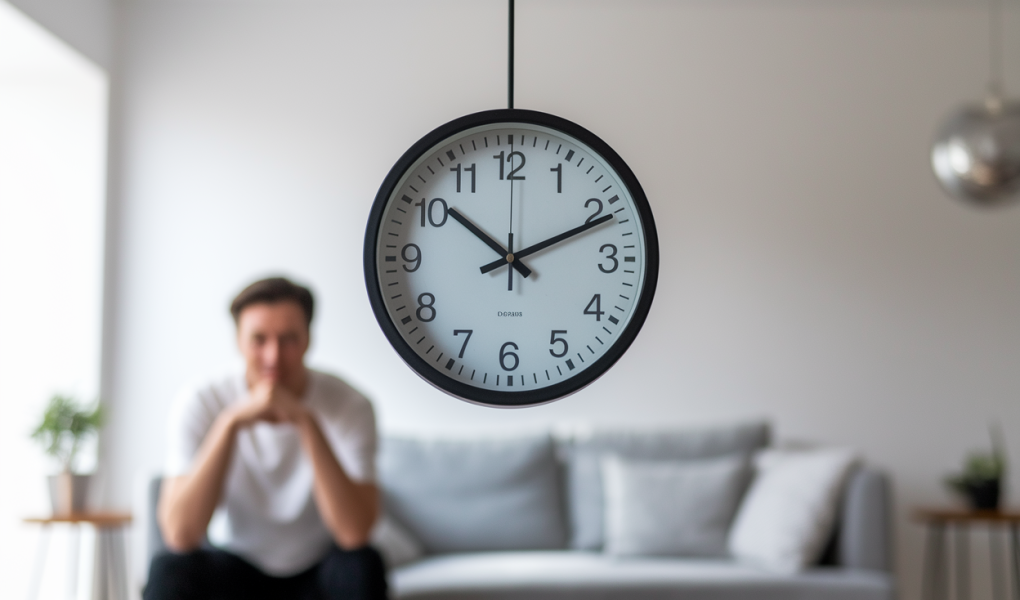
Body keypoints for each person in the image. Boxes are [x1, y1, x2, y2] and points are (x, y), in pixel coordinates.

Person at [146, 277, 387, 600]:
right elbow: (180, 534)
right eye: (258, 340)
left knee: (363, 564)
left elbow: (354, 534)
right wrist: (230, 422)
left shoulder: (351, 405)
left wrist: (306, 422)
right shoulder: (201, 402)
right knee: (169, 568)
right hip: (232, 566)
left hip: (317, 571)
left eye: (288, 339)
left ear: (308, 339)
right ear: (238, 340)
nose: (273, 356)